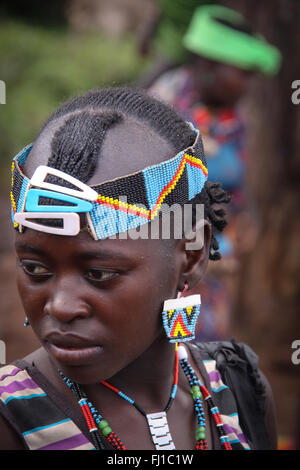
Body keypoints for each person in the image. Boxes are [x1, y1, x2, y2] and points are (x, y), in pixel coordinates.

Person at [0, 87, 277, 450]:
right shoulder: (12, 421)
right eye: (36, 268)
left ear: (191, 256)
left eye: (98, 273)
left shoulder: (239, 391)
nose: (61, 307)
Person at [148, 5, 281, 340]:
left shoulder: (231, 119)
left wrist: (241, 216)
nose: (248, 84)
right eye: (243, 72)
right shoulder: (162, 109)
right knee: (173, 350)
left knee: (206, 351)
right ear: (208, 65)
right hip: (165, 269)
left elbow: (236, 177)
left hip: (213, 267)